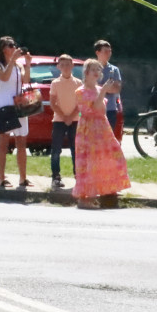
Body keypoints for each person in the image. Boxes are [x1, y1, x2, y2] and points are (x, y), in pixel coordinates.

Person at [73, 58, 130, 208]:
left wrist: (102, 91)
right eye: (94, 70)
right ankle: (85, 199)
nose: (97, 73)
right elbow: (90, 110)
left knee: (111, 155)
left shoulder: (99, 89)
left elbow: (102, 110)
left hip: (102, 127)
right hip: (88, 129)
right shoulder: (80, 91)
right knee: (89, 162)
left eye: (98, 70)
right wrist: (104, 91)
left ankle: (104, 192)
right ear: (86, 72)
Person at [0, 36, 32, 189]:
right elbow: (4, 77)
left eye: (14, 45)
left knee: (21, 141)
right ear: (3, 48)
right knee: (3, 142)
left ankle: (23, 178)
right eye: (10, 45)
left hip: (18, 105)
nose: (13, 47)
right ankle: (1, 178)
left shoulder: (18, 65)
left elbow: (26, 80)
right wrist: (11, 61)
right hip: (4, 104)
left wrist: (27, 65)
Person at [49, 54, 82, 189]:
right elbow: (53, 103)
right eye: (62, 65)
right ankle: (56, 176)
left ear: (72, 66)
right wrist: (64, 116)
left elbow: (81, 103)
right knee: (56, 150)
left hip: (75, 120)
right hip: (58, 120)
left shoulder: (79, 83)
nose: (65, 67)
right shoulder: (55, 83)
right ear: (58, 67)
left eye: (68, 64)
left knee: (76, 150)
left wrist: (72, 116)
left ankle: (78, 176)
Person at [94, 40, 122, 140]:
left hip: (110, 108)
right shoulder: (92, 68)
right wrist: (106, 88)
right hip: (94, 108)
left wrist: (99, 87)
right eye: (106, 51)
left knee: (108, 138)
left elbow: (117, 88)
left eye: (110, 51)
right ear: (98, 52)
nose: (108, 54)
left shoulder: (114, 70)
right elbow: (89, 87)